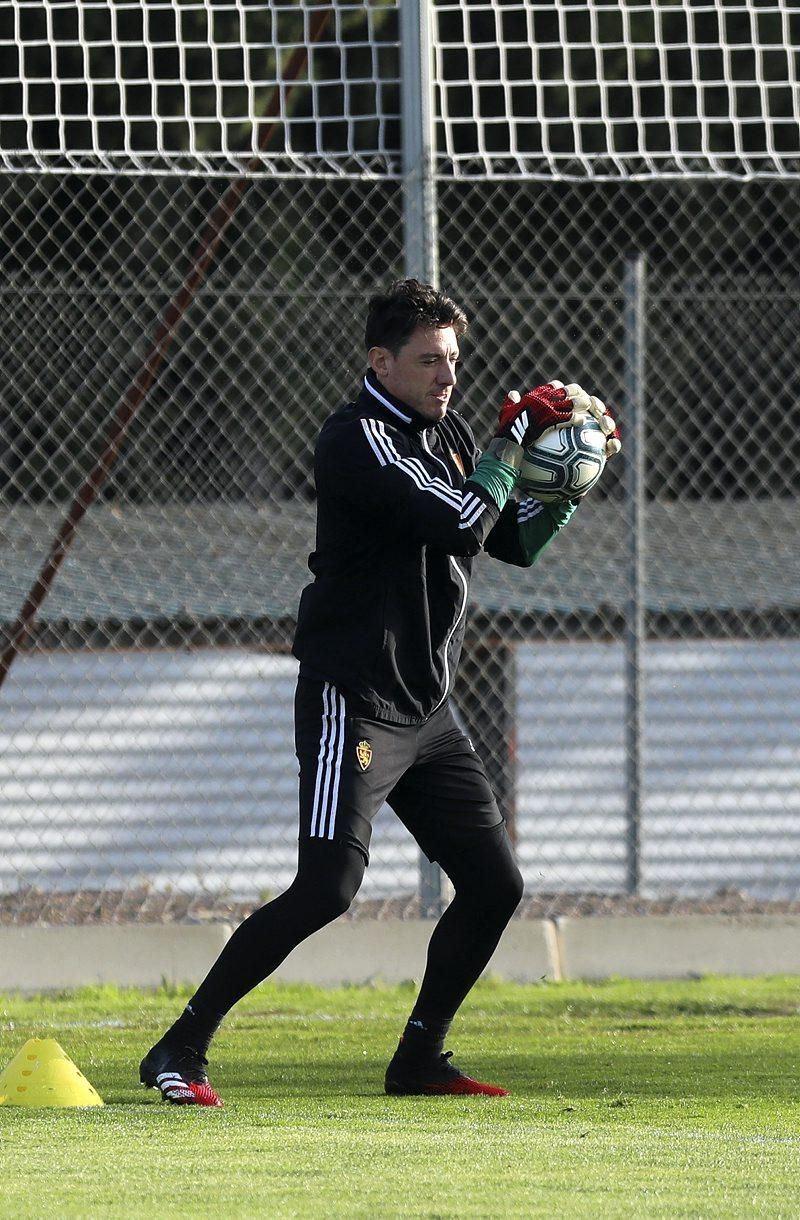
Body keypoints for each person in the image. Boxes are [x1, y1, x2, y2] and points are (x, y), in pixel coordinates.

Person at [139, 278, 621, 1106]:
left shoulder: (448, 429)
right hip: (352, 698)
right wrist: (513, 443)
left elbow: (509, 541)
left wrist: (570, 487)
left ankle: (419, 1059)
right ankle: (179, 1048)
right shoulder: (356, 439)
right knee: (326, 889)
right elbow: (463, 521)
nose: (446, 377)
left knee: (496, 884)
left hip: (427, 710)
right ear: (380, 360)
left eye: (454, 362)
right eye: (429, 361)